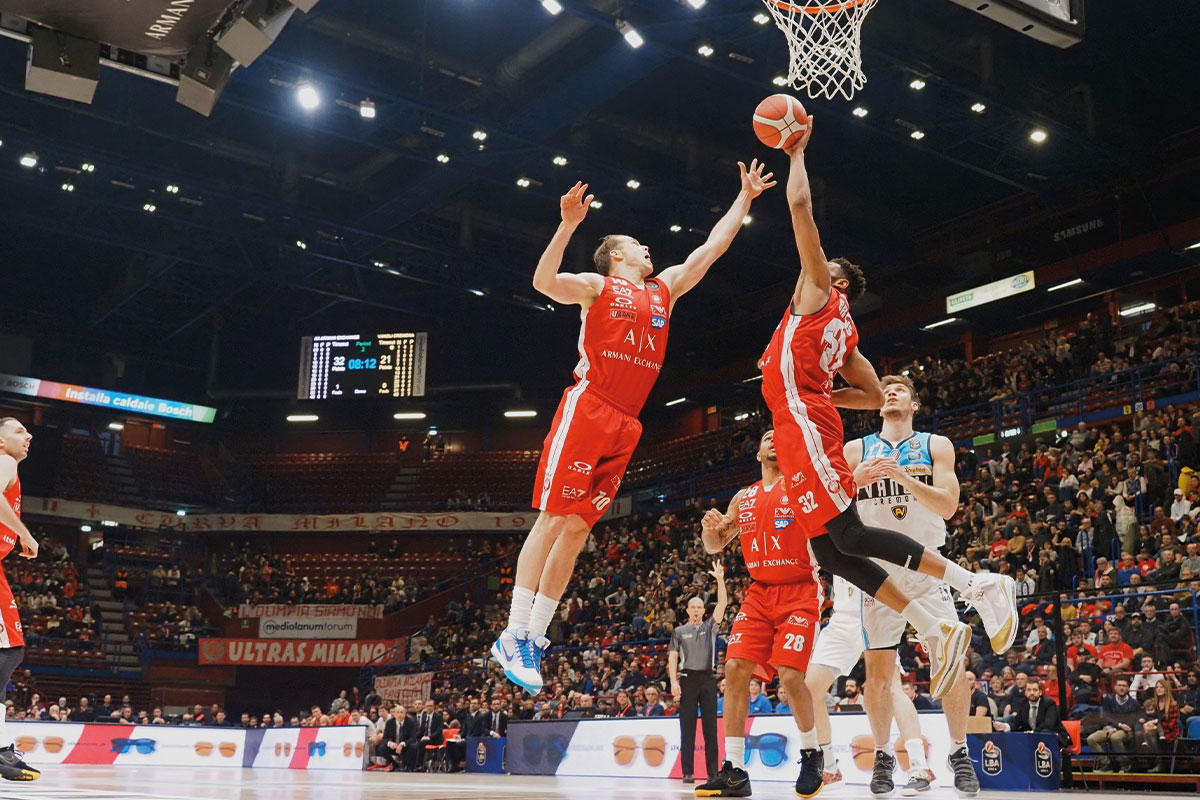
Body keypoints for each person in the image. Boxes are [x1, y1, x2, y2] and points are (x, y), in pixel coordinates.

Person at [758, 125, 1016, 706]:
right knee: (831, 550)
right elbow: (873, 397)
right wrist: (823, 390)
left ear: (838, 280)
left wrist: (796, 153)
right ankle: (937, 627)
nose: (803, 271)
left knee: (847, 534)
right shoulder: (846, 336)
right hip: (801, 414)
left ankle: (974, 587)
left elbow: (799, 205)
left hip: (803, 420)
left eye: (816, 268)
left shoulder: (820, 290)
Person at [494, 163, 776, 692]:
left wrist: (744, 198)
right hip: (590, 407)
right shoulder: (596, 285)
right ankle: (512, 632)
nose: (650, 250)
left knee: (577, 531)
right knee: (553, 520)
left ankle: (534, 636)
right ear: (618, 255)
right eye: (639, 245)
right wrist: (567, 226)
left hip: (626, 423)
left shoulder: (665, 288)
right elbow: (541, 281)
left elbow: (710, 249)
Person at [821, 374, 980, 796]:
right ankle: (883, 755)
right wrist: (858, 481)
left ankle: (959, 751)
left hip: (927, 566)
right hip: (878, 573)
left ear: (914, 405)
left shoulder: (934, 445)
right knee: (878, 675)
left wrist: (904, 479)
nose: (890, 392)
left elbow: (948, 506)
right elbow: (829, 503)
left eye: (900, 390)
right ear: (877, 406)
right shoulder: (856, 449)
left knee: (952, 661)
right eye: (885, 390)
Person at [697, 429, 824, 798]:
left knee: (789, 675)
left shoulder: (802, 486)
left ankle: (811, 752)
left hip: (800, 589)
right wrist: (710, 531)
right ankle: (734, 769)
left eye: (778, 436)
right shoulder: (744, 497)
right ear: (756, 453)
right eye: (766, 436)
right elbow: (715, 545)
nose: (772, 438)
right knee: (735, 669)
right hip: (760, 592)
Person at [0, 417, 39, 781]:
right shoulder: (4, 461)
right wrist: (25, 535)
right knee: (9, 651)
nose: (28, 435)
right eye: (18, 431)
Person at [667, 563, 727, 784]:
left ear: (703, 610)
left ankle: (713, 772)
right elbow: (673, 657)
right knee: (687, 727)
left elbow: (723, 604)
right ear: (687, 610)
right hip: (687, 679)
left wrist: (720, 579)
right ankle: (687, 772)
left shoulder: (710, 627)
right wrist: (673, 682)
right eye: (693, 607)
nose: (696, 610)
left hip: (708, 679)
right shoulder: (679, 631)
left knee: (711, 726)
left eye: (700, 607)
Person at [1085, 677, 1139, 772]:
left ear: (1128, 688)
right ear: (1115, 687)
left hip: (1126, 731)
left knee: (1115, 737)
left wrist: (1116, 727)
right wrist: (1115, 726)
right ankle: (1107, 764)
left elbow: (1130, 722)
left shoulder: (1134, 703)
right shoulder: (1108, 700)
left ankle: (1125, 764)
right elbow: (1106, 717)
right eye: (1119, 685)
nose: (1121, 688)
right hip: (1110, 728)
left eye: (1124, 686)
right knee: (1091, 739)